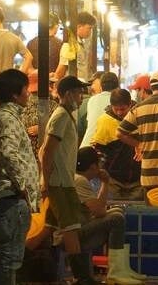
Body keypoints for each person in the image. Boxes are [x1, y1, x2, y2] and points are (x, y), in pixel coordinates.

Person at [0, 69, 40, 285]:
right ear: (16, 94)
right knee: (10, 258)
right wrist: (23, 186)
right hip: (10, 198)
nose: (29, 94)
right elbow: (8, 152)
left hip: (5, 197)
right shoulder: (7, 118)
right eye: (26, 90)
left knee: (7, 257)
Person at [40, 75, 96, 285]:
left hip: (63, 181)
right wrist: (46, 182)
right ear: (67, 94)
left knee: (49, 228)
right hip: (60, 183)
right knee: (71, 228)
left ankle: (27, 260)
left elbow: (43, 150)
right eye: (78, 92)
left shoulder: (66, 115)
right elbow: (46, 152)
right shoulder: (61, 116)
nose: (81, 97)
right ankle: (81, 276)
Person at [74, 147, 145, 284]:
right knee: (116, 218)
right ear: (94, 166)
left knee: (117, 211)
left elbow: (98, 209)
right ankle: (116, 271)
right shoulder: (80, 181)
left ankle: (121, 269)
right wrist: (105, 183)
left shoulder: (79, 179)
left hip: (80, 226)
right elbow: (100, 211)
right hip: (75, 233)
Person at [117, 72, 158, 190]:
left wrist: (139, 145)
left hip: (148, 176)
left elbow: (119, 133)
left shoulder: (138, 108)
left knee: (150, 208)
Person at [90, 89, 142, 200]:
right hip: (113, 179)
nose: (119, 112)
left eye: (122, 109)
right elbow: (98, 149)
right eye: (115, 109)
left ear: (130, 105)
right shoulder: (105, 121)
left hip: (137, 180)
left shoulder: (140, 118)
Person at [21, 71, 58, 158]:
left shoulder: (20, 106)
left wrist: (42, 128)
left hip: (27, 155)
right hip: (44, 154)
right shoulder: (53, 106)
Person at [55, 11, 96, 81]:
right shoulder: (69, 46)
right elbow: (60, 72)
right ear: (79, 26)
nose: (90, 31)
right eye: (89, 28)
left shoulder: (81, 45)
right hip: (73, 89)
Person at [81, 72, 119, 147]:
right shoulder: (119, 101)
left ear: (101, 86)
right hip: (103, 149)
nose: (91, 87)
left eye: (93, 83)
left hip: (86, 145)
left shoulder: (92, 100)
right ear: (117, 87)